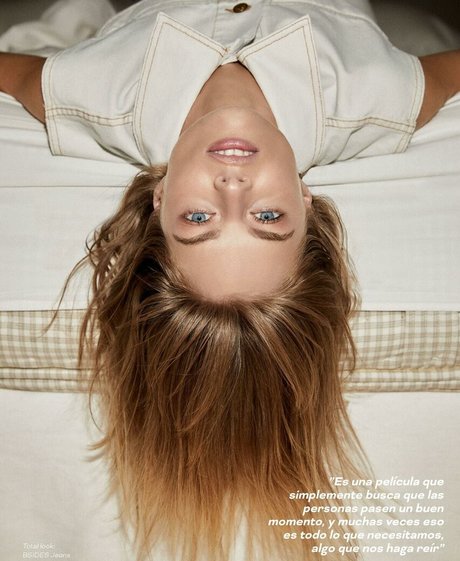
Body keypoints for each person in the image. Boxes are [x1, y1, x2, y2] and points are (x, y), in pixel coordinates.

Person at [1, 1, 459, 560]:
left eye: (198, 219)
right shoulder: (376, 101)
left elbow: (13, 72)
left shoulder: (88, 97)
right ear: (307, 203)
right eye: (268, 217)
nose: (233, 187)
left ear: (159, 199)